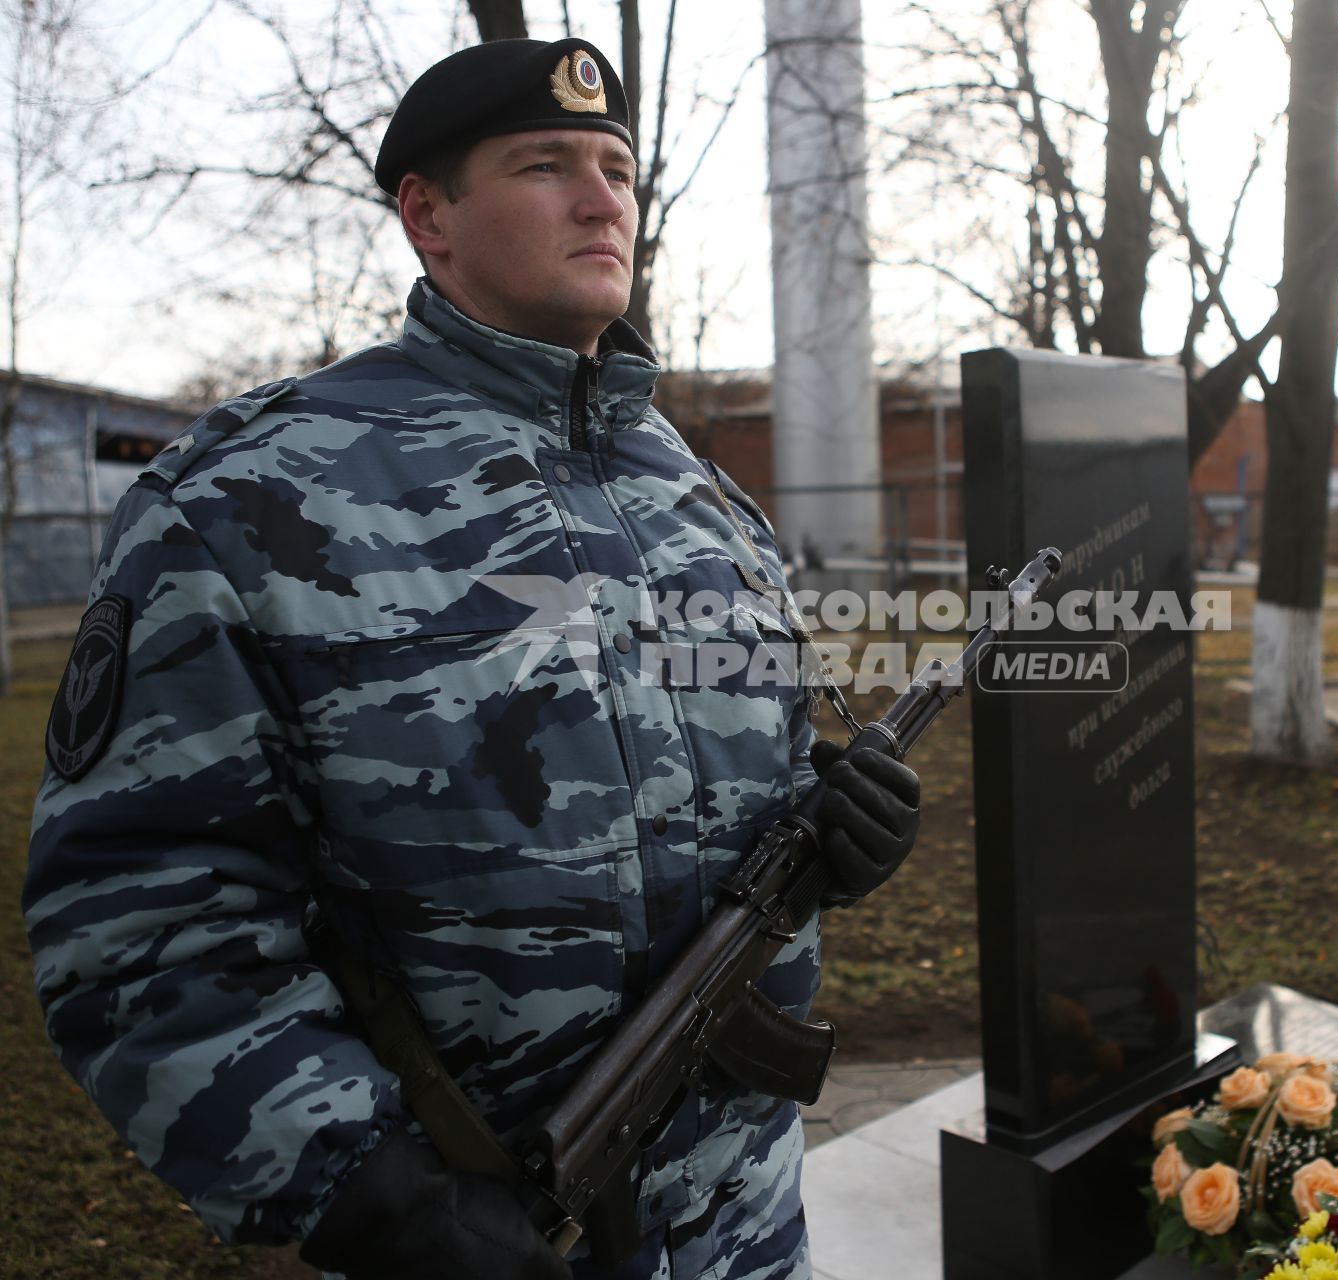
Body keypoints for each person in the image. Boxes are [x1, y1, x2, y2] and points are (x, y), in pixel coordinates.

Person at [23, 37, 920, 1280]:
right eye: (544, 164)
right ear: (427, 214)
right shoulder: (252, 502)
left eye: (615, 165)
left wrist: (829, 827)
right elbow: (136, 920)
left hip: (747, 1227)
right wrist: (369, 1190)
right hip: (480, 1233)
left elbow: (714, 782)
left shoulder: (700, 497)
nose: (603, 197)